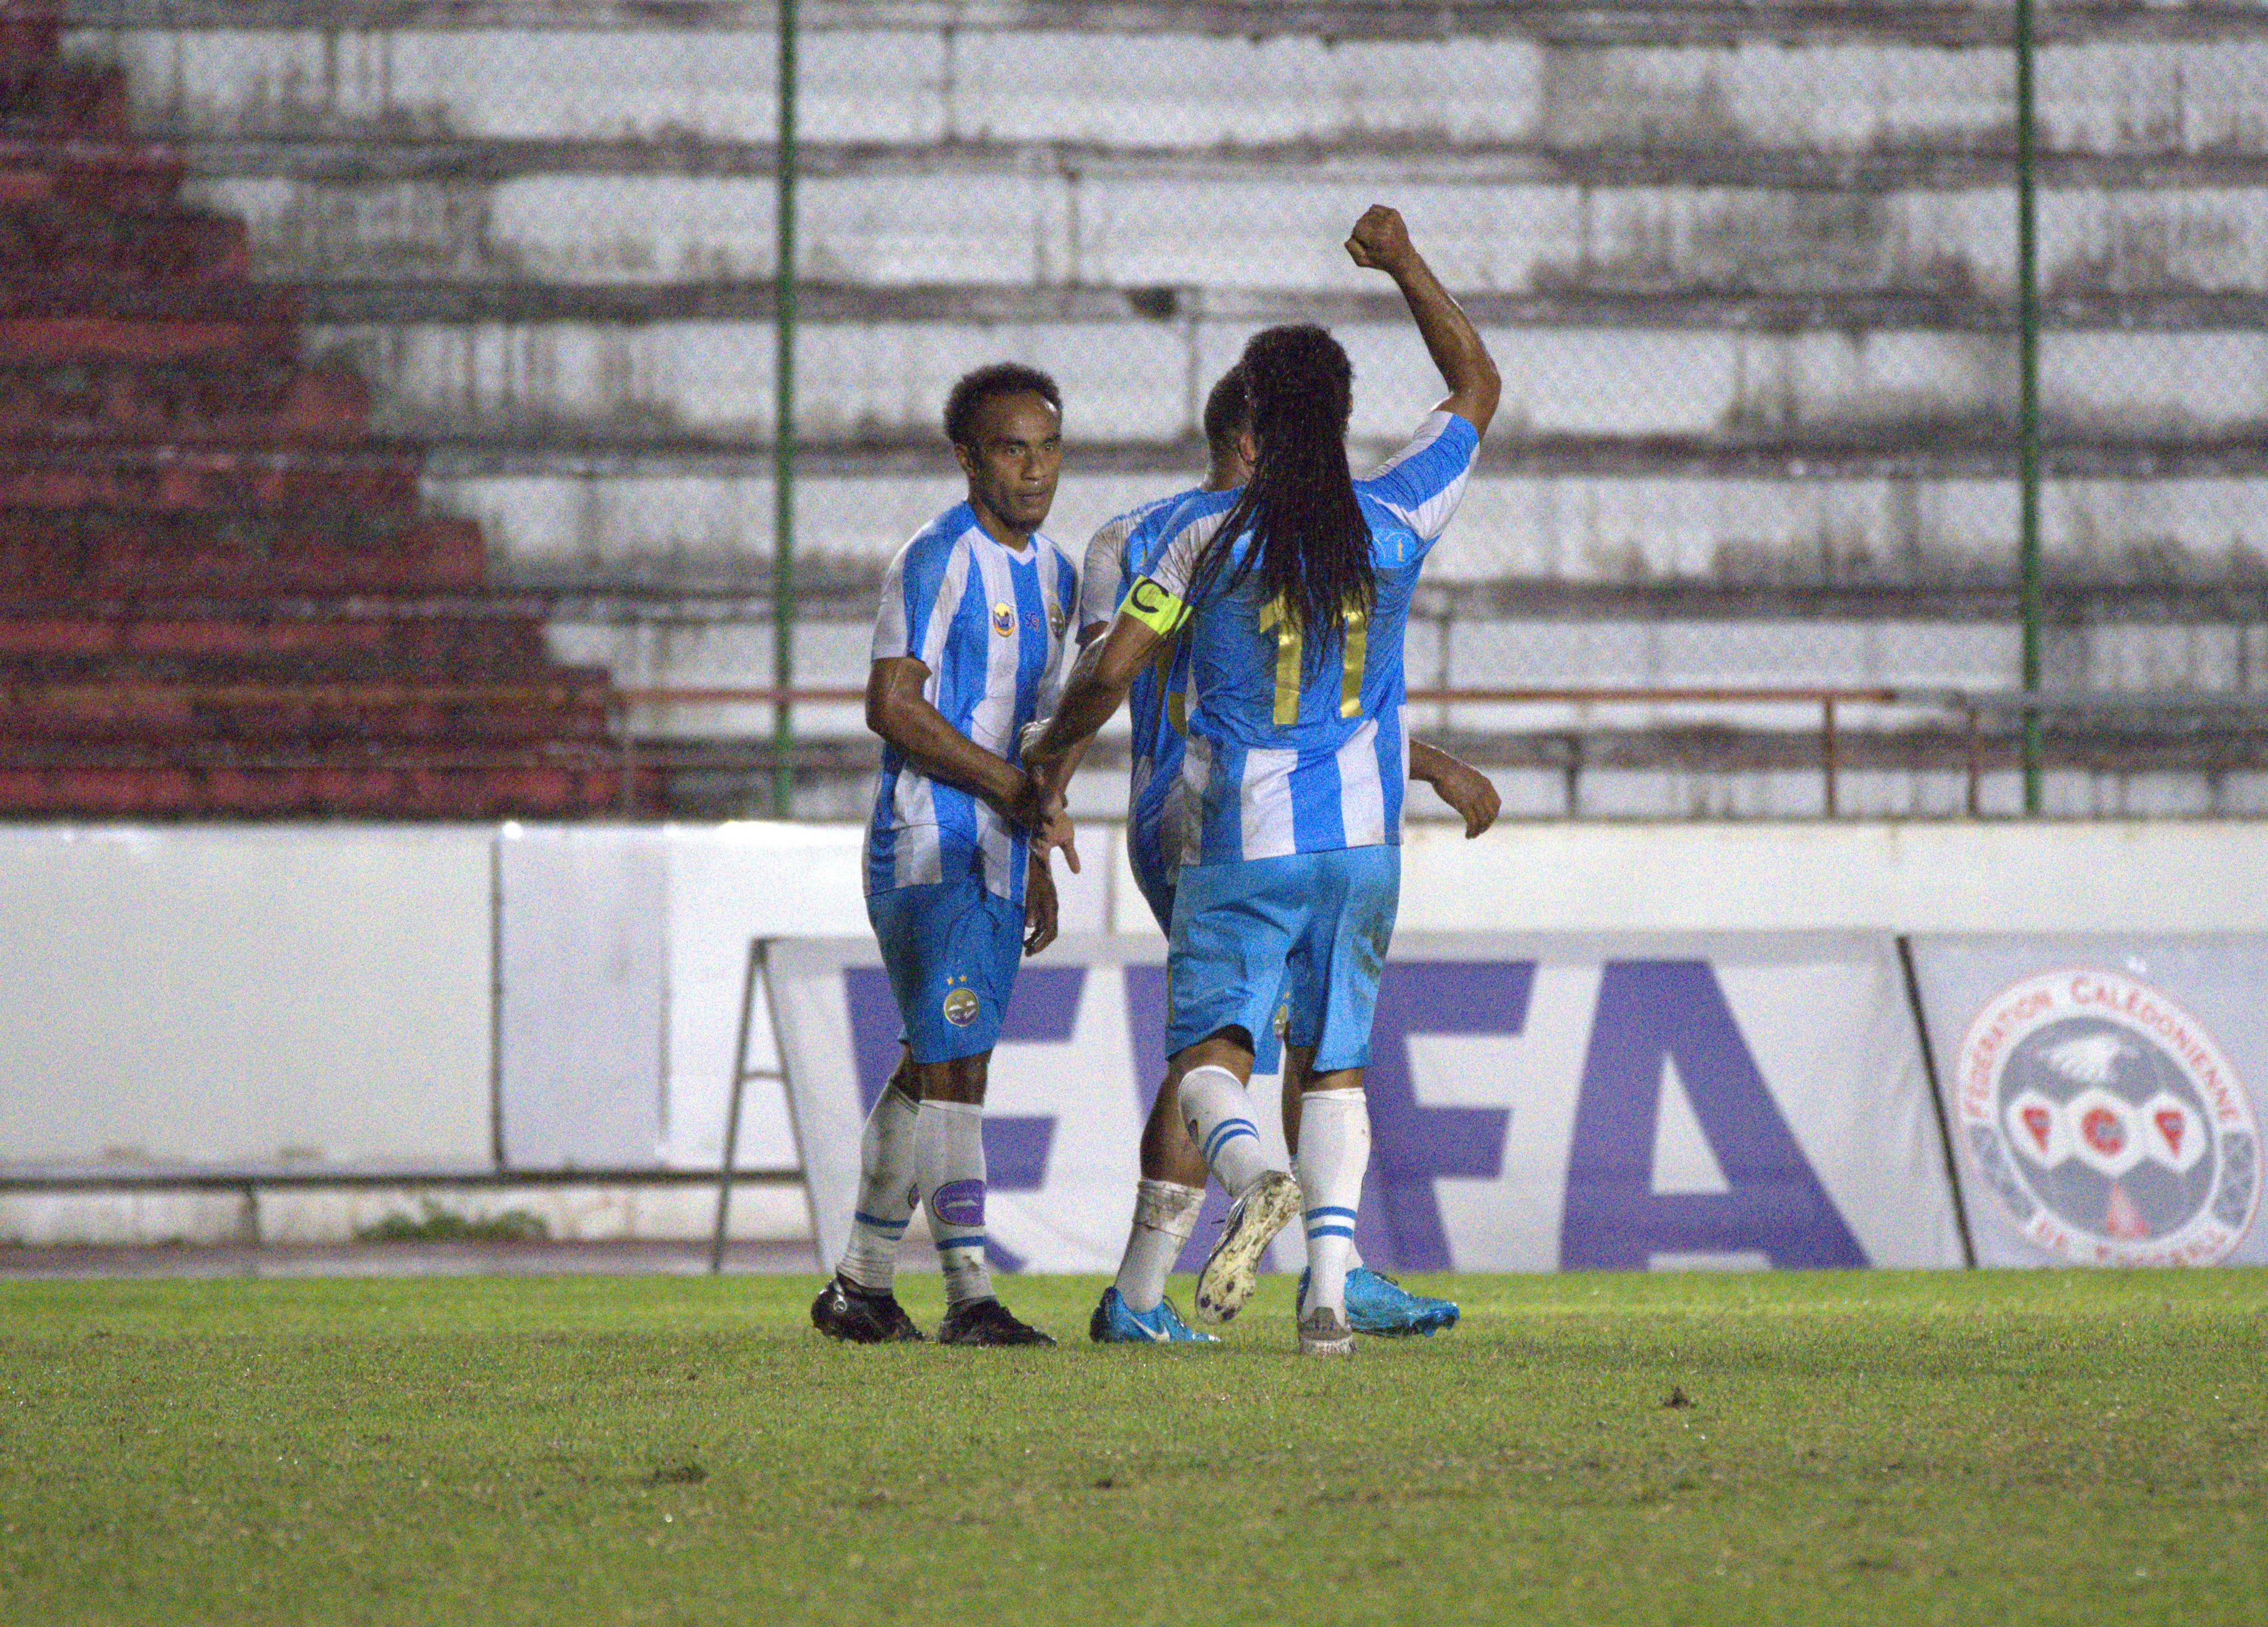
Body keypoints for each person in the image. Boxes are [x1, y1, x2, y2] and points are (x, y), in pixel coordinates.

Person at [1019, 204, 1499, 1356]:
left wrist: (1050, 753)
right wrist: (1399, 261)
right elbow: (1476, 383)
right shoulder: (1395, 515)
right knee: (1332, 1059)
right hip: (1364, 842)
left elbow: (1113, 670)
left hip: (1239, 833)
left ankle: (1253, 1185)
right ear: (1334, 421)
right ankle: (1325, 1298)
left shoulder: (1191, 540)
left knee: (1209, 1061)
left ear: (1253, 430)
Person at [810, 362, 1079, 1348]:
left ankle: (860, 1286)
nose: (1035, 469)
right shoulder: (936, 556)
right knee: (957, 1065)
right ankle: (971, 1296)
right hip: (932, 842)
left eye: (1048, 447)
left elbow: (1035, 734)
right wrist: (1008, 791)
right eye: (1013, 449)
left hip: (997, 851)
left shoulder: (1053, 573)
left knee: (933, 1066)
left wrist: (1036, 845)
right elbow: (890, 704)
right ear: (966, 456)